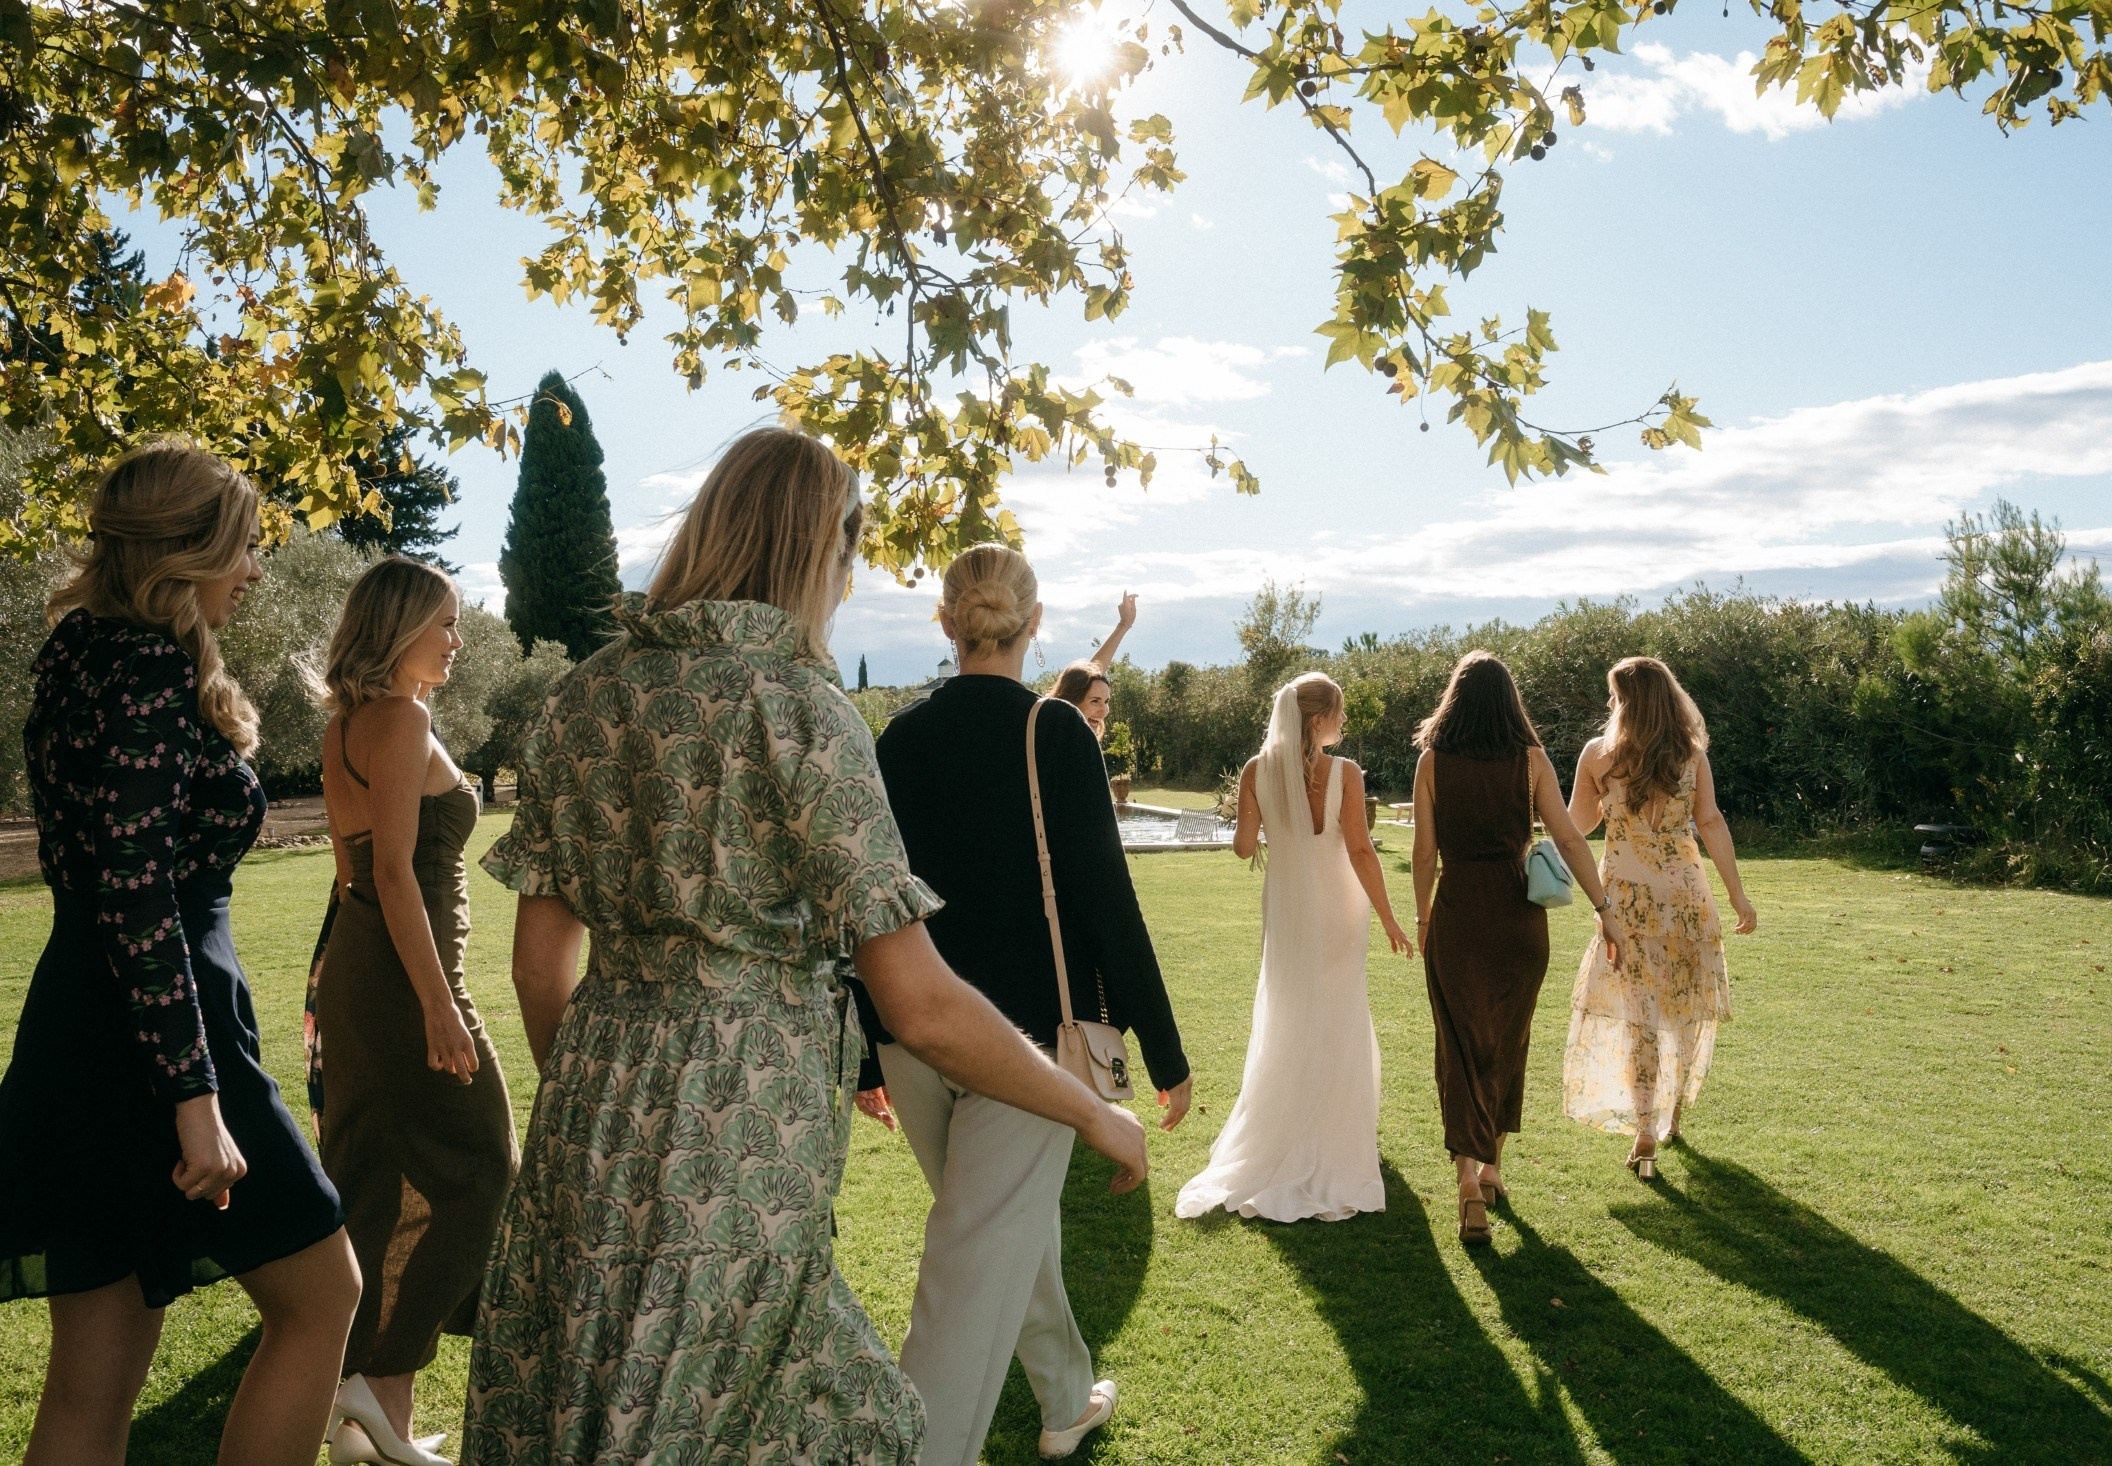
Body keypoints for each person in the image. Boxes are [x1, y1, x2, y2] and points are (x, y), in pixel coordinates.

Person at [463, 428, 1149, 1466]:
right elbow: (917, 1000)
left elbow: (535, 965)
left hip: (588, 1113)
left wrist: (614, 1100)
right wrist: (1092, 1108)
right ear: (818, 551)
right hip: (739, 1129)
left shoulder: (585, 693)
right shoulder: (798, 708)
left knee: (614, 1399)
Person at [0, 439, 360, 1465]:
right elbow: (133, 887)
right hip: (161, 1029)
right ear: (186, 550)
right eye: (243, 546)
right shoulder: (144, 665)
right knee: (323, 1294)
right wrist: (194, 1097)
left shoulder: (79, 653)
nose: (254, 569)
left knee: (95, 1372)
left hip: (85, 1019)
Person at [869, 547, 1188, 1466]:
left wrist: (863, 1056)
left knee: (996, 1228)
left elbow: (867, 910)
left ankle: (1063, 1397)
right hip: (1028, 1045)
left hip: (907, 1033)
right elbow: (1105, 900)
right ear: (1035, 623)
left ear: (945, 624)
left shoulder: (893, 740)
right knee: (975, 1256)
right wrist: (1164, 1054)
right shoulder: (1057, 733)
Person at [309, 558, 518, 1466]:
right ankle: (371, 1385)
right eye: (445, 623)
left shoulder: (344, 724)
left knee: (380, 1173)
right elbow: (391, 871)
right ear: (399, 629)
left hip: (368, 967)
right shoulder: (399, 717)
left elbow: (351, 873)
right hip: (408, 981)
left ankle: (372, 1408)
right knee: (483, 1168)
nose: (456, 641)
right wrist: (438, 1007)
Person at [1176, 672, 1411, 1225]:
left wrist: (1265, 825)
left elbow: (1240, 848)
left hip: (1287, 910)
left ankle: (1285, 1128)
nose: (1345, 722)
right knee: (1338, 1012)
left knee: (1290, 1009)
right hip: (1338, 909)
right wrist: (1389, 918)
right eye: (1340, 713)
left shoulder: (1257, 772)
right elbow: (1359, 849)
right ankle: (1333, 1135)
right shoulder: (1346, 774)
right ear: (1317, 719)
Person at [1409, 652, 1621, 1247]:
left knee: (1458, 1045)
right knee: (1507, 1039)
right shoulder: (1531, 761)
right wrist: (1605, 912)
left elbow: (1425, 854)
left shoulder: (1431, 762)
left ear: (1454, 700)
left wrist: (1424, 916)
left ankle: (1467, 1187)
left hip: (1458, 914)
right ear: (1511, 703)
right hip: (1518, 920)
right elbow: (1571, 838)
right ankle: (1494, 1168)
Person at [1563, 656, 1759, 1181]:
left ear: (1626, 700)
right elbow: (1711, 823)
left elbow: (1577, 825)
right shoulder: (1690, 756)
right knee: (1684, 1010)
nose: (1610, 704)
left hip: (1624, 905)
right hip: (1687, 901)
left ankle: (1645, 1129)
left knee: (1639, 1019)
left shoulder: (1598, 756)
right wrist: (1739, 897)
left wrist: (1545, 825)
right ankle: (1670, 1115)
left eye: (1615, 696)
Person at [1046, 590, 1137, 737]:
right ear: (1070, 700)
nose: (1104, 711)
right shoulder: (1053, 737)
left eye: (1106, 701)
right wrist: (1123, 625)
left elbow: (1093, 670)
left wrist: (1124, 624)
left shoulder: (1078, 737)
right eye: (1095, 701)